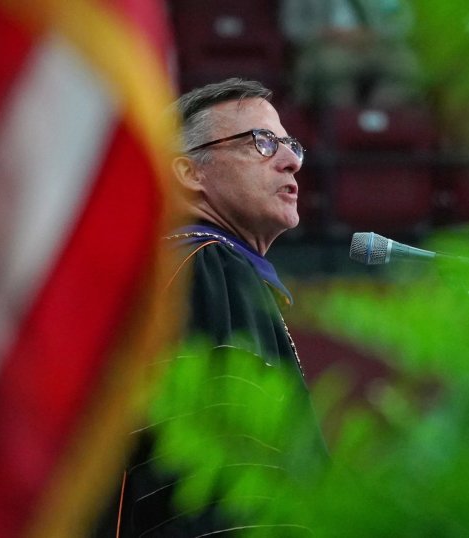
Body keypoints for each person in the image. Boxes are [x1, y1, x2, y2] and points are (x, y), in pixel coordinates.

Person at [92, 78, 326, 536]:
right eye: (262, 142)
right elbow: (211, 475)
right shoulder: (206, 266)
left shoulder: (193, 268)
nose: (292, 160)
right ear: (189, 173)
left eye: (289, 143)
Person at [281, 0, 421, 108]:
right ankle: (343, 123)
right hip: (326, 46)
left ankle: (380, 121)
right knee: (334, 66)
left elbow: (403, 19)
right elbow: (293, 27)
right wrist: (328, 33)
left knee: (405, 64)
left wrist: (373, 34)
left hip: (372, 43)